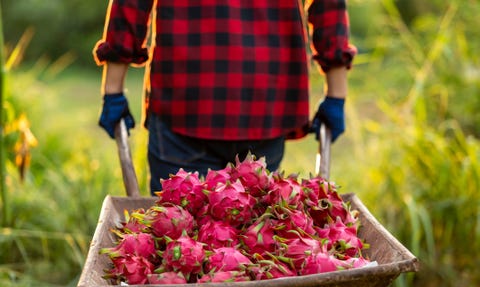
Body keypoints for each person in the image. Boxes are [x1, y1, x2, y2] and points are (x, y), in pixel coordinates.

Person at [94, 0, 357, 194]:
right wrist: (336, 93)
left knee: (178, 248)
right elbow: (328, 7)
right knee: (257, 248)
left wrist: (113, 90)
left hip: (186, 101)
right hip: (266, 103)